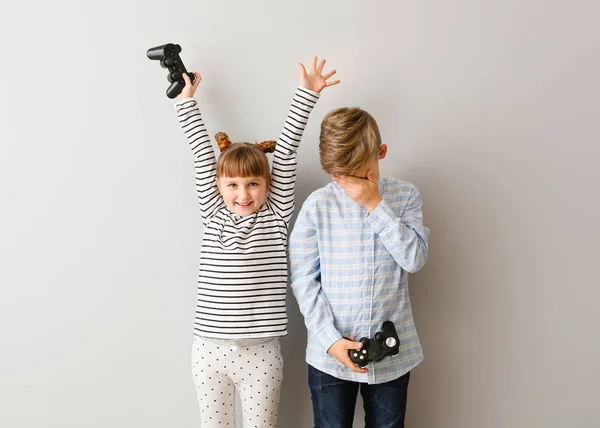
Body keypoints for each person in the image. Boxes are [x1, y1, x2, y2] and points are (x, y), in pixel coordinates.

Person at [171, 57, 338, 427]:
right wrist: (186, 100)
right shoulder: (213, 214)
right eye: (232, 185)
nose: (243, 194)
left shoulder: (276, 218)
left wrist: (307, 93)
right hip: (208, 351)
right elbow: (202, 155)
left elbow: (289, 151)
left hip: (260, 355)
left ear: (267, 185)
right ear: (219, 187)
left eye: (252, 184)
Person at [289, 106, 430, 427]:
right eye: (340, 176)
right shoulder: (317, 205)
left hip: (393, 355)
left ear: (381, 153)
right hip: (330, 355)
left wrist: (374, 204)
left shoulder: (405, 196)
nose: (349, 184)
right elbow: (304, 281)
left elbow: (415, 259)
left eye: (358, 173)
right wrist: (330, 339)